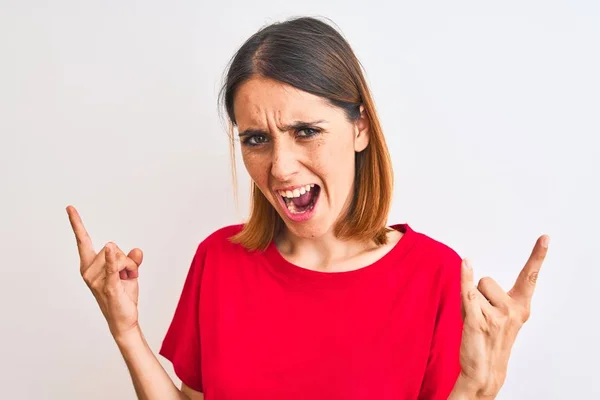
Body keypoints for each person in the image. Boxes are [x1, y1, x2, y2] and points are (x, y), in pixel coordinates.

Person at [66, 16, 549, 400]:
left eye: (305, 131)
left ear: (359, 128)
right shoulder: (219, 259)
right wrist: (126, 331)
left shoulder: (436, 276)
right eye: (256, 140)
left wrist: (477, 392)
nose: (279, 168)